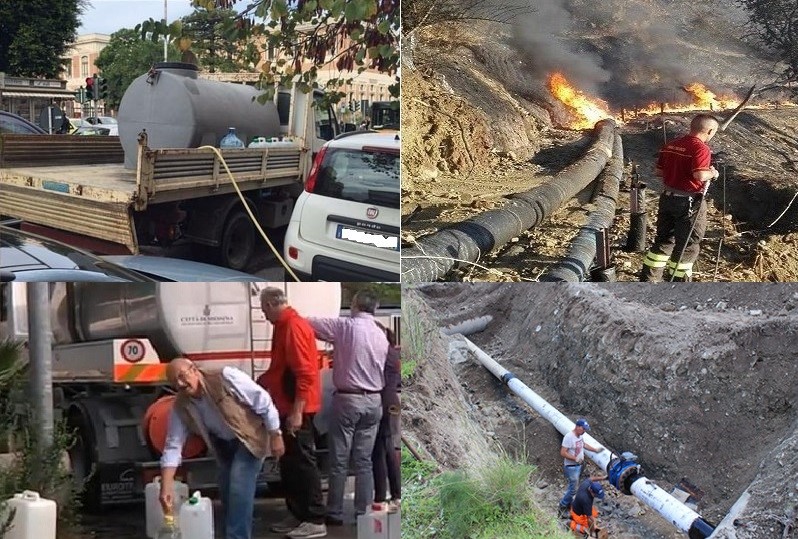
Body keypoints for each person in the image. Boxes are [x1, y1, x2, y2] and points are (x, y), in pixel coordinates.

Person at [159, 358, 285, 539]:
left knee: (239, 486)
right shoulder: (180, 406)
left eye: (182, 376)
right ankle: (235, 531)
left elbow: (262, 400)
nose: (180, 384)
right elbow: (173, 445)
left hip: (249, 437)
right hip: (223, 445)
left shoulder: (224, 376)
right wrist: (166, 486)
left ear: (194, 370)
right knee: (227, 492)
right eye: (174, 382)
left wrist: (275, 434)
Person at [307, 290, 388, 525]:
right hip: (374, 402)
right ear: (375, 308)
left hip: (348, 400)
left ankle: (334, 512)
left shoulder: (345, 327)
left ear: (354, 306)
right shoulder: (381, 334)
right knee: (364, 461)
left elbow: (309, 324)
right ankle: (363, 513)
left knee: (339, 460)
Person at [257, 287, 327, 539]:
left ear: (270, 304)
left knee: (302, 463)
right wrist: (261, 382)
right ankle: (298, 514)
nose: (263, 314)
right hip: (286, 405)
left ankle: (315, 518)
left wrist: (297, 412)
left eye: (263, 308)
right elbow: (281, 369)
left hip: (297, 407)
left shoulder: (293, 327)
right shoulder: (284, 326)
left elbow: (305, 373)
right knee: (290, 464)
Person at [640, 113, 721, 282]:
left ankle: (649, 280)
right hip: (688, 202)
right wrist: (712, 173)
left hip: (667, 198)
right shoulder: (701, 148)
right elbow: (699, 175)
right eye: (713, 132)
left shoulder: (671, 144)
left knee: (664, 240)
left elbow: (658, 171)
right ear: (710, 130)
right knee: (689, 245)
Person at [371, 326, 401, 509]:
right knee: (389, 448)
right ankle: (396, 494)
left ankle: (381, 496)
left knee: (379, 451)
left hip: (382, 401)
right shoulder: (392, 353)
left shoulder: (382, 353)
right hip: (392, 402)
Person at [558, 419, 605, 517]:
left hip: (577, 466)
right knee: (573, 489)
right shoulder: (569, 437)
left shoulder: (579, 436)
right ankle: (562, 507)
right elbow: (563, 452)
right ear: (578, 427)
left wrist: (595, 450)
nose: (584, 431)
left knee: (573, 487)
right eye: (583, 429)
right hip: (571, 467)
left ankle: (568, 503)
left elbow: (583, 445)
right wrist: (575, 458)